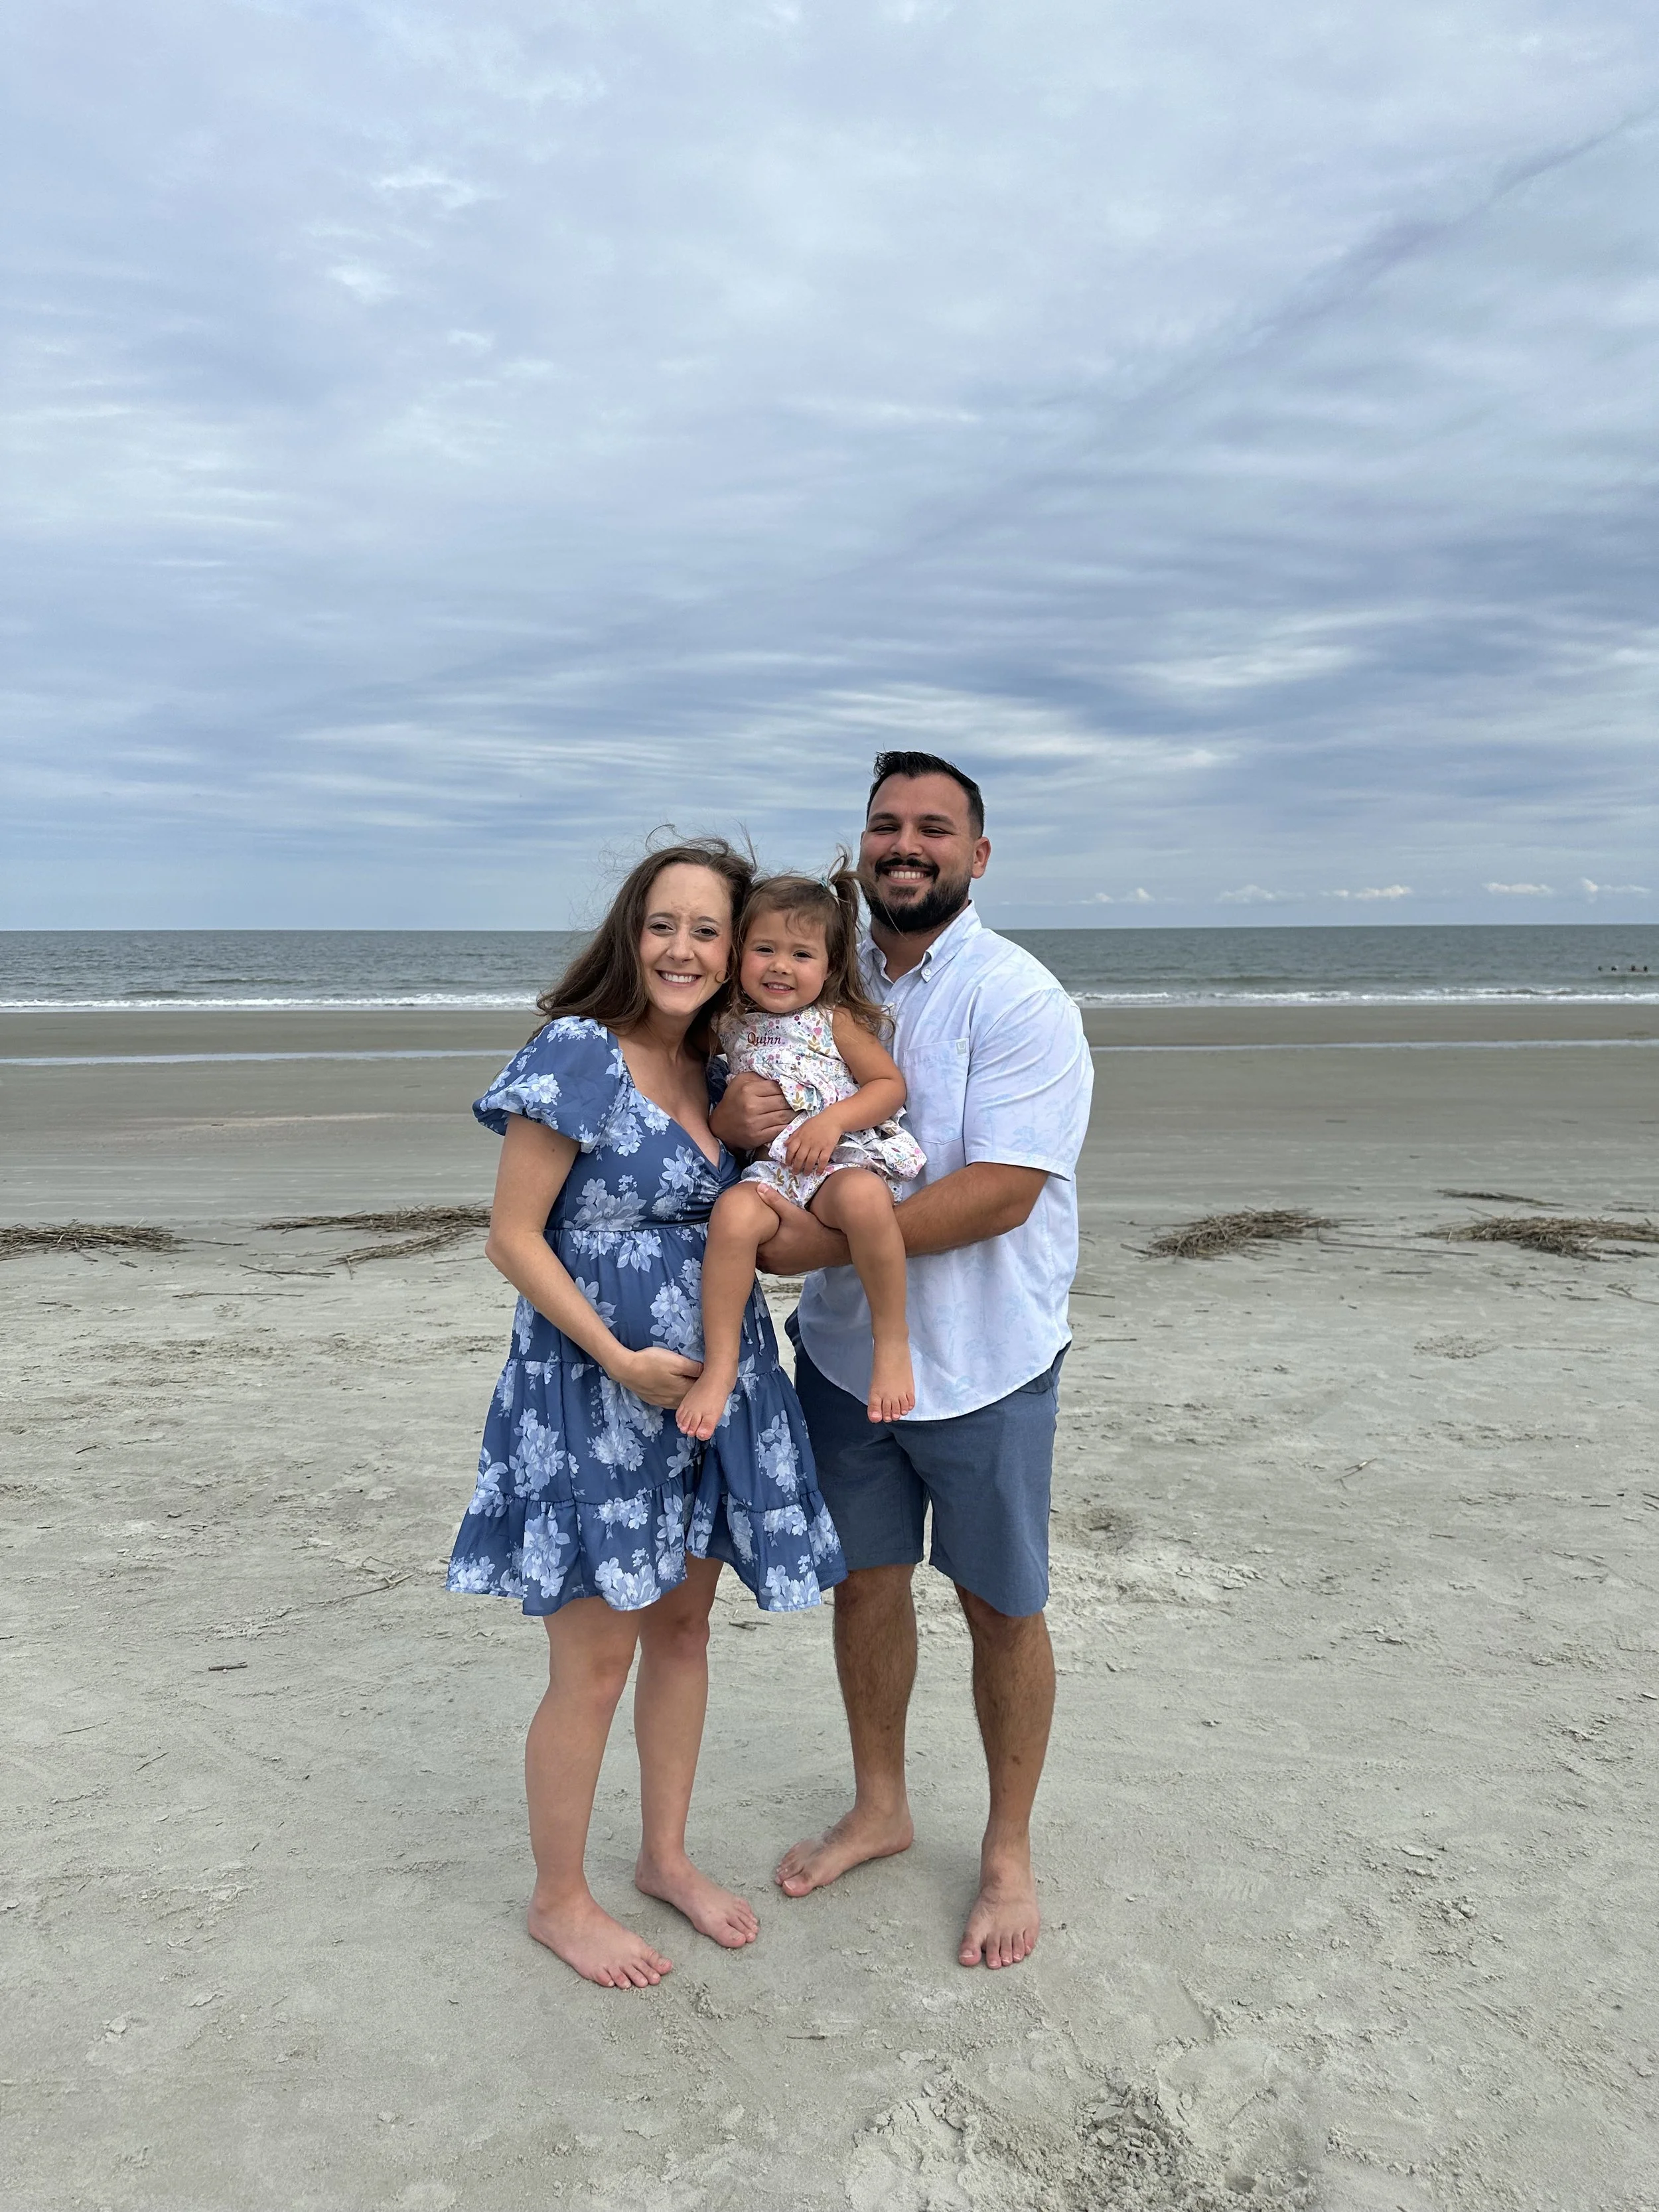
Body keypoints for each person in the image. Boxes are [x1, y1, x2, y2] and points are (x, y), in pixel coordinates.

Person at [711, 753, 1093, 1971]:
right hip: (839, 1353)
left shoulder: (1020, 995)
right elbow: (738, 1102)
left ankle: (1009, 1847)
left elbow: (1004, 1192)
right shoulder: (819, 969)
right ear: (861, 847)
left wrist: (821, 1235)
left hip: (987, 1356)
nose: (906, 844)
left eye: (936, 827)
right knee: (865, 1582)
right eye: (886, 825)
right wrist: (742, 1127)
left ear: (979, 855)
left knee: (1001, 1603)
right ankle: (882, 1803)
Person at [446, 838, 847, 1990]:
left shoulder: (725, 1069)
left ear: (736, 954)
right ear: (631, 932)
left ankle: (664, 1855)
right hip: (593, 1387)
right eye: (663, 923)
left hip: (712, 1387)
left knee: (682, 1631)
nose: (683, 947)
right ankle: (559, 1898)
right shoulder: (578, 1051)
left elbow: (769, 1223)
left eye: (708, 930)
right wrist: (620, 1356)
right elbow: (512, 1236)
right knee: (594, 1660)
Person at [674, 861, 926, 1442]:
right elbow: (677, 1064)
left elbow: (889, 1087)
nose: (781, 966)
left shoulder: (833, 1022)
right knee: (732, 1215)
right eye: (764, 949)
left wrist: (834, 1120)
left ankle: (890, 1340)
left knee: (865, 1201)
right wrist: (721, 1121)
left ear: (831, 966)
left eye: (801, 954)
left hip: (841, 1160)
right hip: (776, 1167)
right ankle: (721, 1364)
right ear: (738, 956)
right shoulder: (729, 1024)